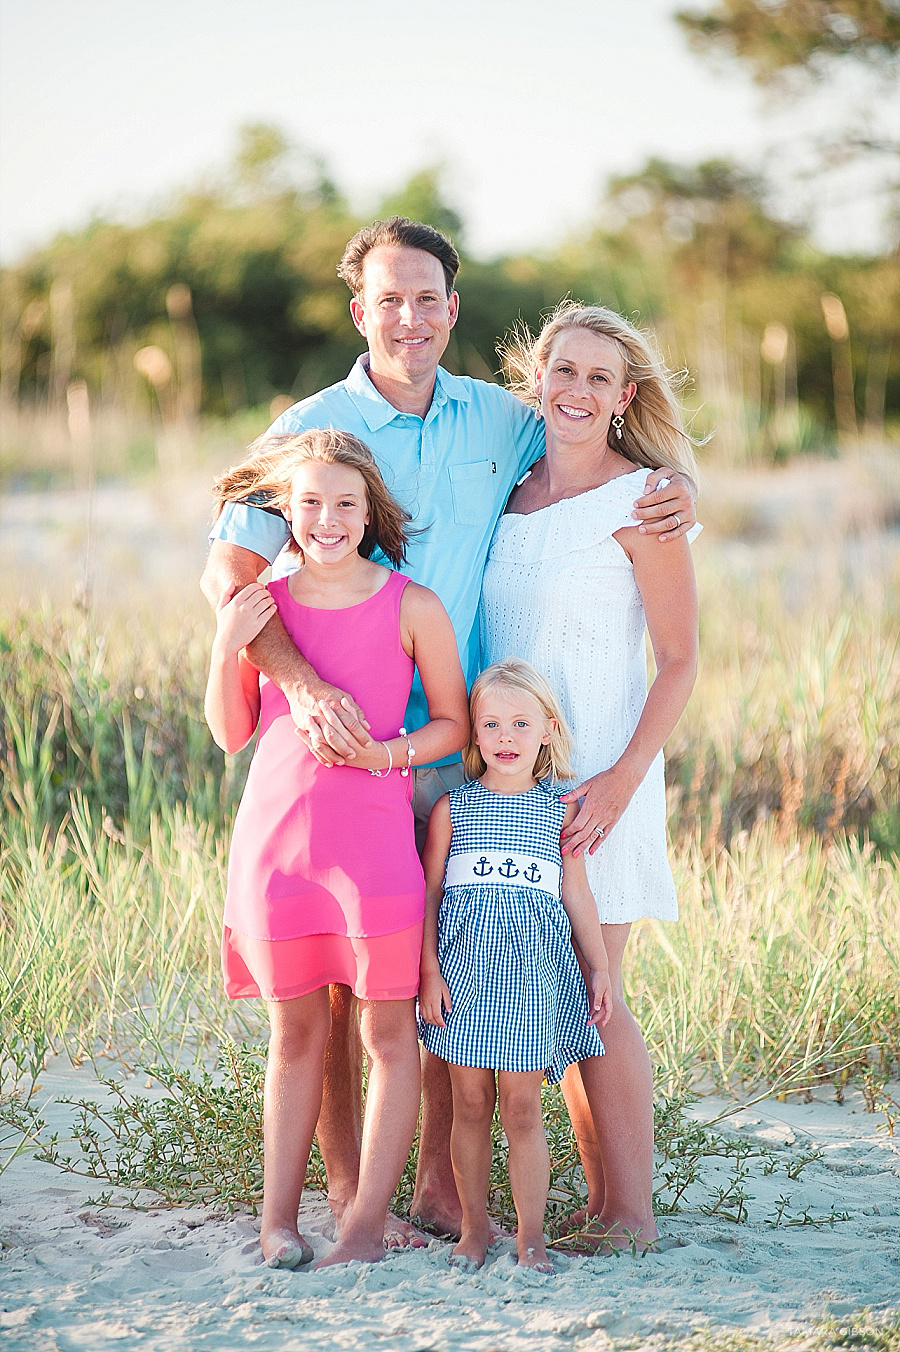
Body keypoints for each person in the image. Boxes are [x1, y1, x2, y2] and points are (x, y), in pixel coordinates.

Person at [200, 216, 698, 1242]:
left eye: (428, 298)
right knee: (354, 989)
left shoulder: (496, 420)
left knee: (453, 969)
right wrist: (296, 682)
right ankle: (356, 1200)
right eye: (389, 298)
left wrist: (679, 485)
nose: (410, 317)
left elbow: (593, 440)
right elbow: (229, 571)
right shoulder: (312, 422)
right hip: (353, 751)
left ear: (454, 309)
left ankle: (455, 1191)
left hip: (475, 749)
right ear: (359, 310)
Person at [204, 428, 469, 1269]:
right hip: (277, 855)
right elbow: (230, 732)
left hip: (378, 855)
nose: (326, 519)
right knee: (294, 1039)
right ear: (286, 510)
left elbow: (453, 729)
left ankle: (359, 1229)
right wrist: (225, 644)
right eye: (309, 502)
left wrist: (383, 755)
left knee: (389, 1036)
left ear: (369, 511)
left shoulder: (412, 604)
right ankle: (276, 1223)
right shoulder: (265, 607)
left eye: (345, 503)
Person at [480, 301, 700, 1251]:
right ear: (537, 377)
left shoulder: (644, 501)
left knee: (596, 986)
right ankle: (601, 1201)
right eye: (562, 371)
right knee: (554, 989)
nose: (575, 390)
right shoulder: (508, 491)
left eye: (598, 377)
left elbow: (682, 659)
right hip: (517, 788)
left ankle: (632, 1214)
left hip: (601, 782)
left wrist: (617, 781)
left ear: (625, 396)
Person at [419, 660, 612, 1272]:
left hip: (531, 983)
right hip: (462, 980)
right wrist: (427, 972)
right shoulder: (454, 810)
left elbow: (577, 896)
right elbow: (428, 897)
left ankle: (532, 1238)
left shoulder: (559, 811)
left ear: (549, 730)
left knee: (523, 1108)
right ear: (474, 732)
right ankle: (475, 1229)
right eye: (492, 723)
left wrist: (599, 966)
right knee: (469, 1104)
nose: (506, 737)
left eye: (521, 723)